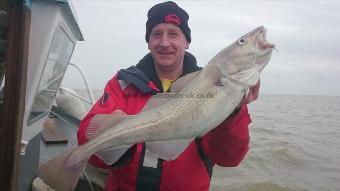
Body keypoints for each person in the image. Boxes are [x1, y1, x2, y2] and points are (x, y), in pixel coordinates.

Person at [78, 1, 260, 191]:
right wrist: (119, 139)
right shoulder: (122, 83)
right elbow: (91, 151)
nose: (165, 43)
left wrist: (234, 113)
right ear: (148, 42)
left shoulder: (215, 90)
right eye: (157, 34)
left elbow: (229, 158)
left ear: (186, 41)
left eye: (174, 34)